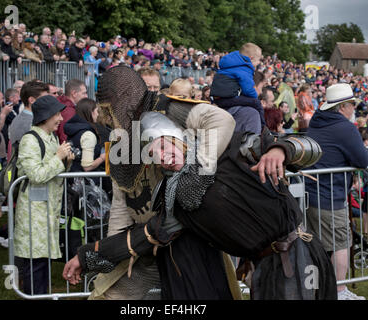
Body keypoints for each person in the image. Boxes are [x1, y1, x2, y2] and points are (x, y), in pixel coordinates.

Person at [63, 65, 337, 300]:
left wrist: (281, 150)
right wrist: (87, 257)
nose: (164, 158)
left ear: (179, 136)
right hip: (261, 268)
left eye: (164, 145)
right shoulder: (178, 204)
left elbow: (310, 148)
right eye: (153, 155)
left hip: (300, 255)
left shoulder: (235, 150)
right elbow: (145, 235)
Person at [305, 83, 368, 300]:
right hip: (329, 196)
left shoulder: (316, 122)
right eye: (352, 105)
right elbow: (362, 160)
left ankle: (318, 290)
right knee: (341, 243)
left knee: (315, 246)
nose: (354, 109)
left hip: (310, 195)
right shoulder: (345, 128)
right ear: (342, 107)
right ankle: (339, 291)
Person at [13, 95, 74, 295]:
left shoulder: (52, 137)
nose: (60, 119)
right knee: (35, 262)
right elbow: (36, 175)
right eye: (56, 114)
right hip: (34, 212)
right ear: (45, 116)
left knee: (43, 260)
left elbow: (53, 171)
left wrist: (67, 161)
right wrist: (59, 157)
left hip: (47, 211)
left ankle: (41, 295)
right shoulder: (30, 140)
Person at [8, 81, 49, 146]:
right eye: (44, 99)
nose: (47, 102)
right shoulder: (31, 123)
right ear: (32, 100)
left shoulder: (19, 119)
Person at [56, 79, 88, 143]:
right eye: (84, 93)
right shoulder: (69, 111)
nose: (86, 96)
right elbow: (65, 137)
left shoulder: (62, 103)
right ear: (74, 93)